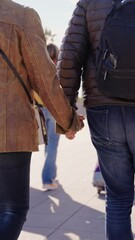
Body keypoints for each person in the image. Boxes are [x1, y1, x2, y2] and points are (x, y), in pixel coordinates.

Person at [0, 1, 84, 240]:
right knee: (11, 210)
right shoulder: (21, 17)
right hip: (9, 132)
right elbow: (44, 79)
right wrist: (69, 122)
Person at [57, 0, 135, 239]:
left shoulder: (90, 3)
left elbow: (70, 56)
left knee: (118, 198)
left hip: (104, 107)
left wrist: (66, 117)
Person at [42, 43, 60, 190]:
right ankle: (47, 179)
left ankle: (52, 175)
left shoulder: (39, 68)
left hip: (41, 110)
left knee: (49, 146)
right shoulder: (57, 70)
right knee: (52, 146)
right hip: (53, 110)